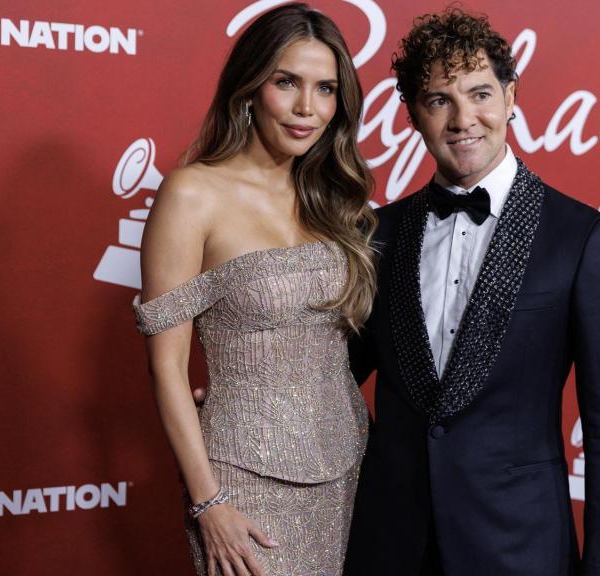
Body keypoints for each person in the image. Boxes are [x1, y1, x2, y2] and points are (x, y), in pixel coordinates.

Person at [344, 8, 600, 576]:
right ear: (412, 115)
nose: (464, 119)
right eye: (439, 100)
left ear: (511, 97)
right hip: (390, 547)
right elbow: (333, 372)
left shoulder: (577, 237)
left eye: (480, 94)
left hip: (519, 547)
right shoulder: (377, 234)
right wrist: (248, 393)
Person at [133, 4, 375, 576]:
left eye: (325, 89)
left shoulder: (333, 199)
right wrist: (208, 502)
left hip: (349, 464)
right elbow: (167, 367)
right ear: (249, 87)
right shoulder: (192, 194)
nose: (306, 107)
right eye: (286, 82)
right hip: (241, 481)